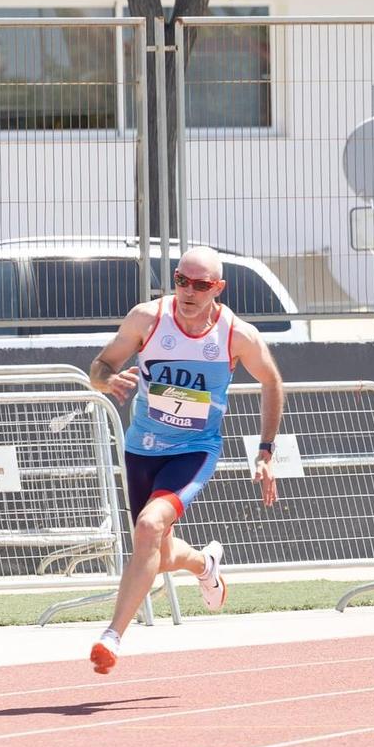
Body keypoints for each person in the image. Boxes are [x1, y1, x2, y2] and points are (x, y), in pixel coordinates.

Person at [87, 247, 283, 675]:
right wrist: (106, 380)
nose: (188, 292)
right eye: (181, 280)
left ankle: (112, 636)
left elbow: (271, 380)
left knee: (148, 526)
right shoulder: (147, 319)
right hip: (142, 448)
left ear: (219, 288)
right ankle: (204, 564)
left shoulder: (235, 334)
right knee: (153, 546)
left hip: (195, 451)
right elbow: (98, 368)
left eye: (200, 285)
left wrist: (266, 450)